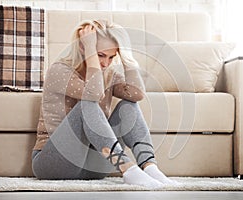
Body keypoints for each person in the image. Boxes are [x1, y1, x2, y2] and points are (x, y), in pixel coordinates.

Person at [31, 19, 174, 189]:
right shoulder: (59, 70)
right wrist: (91, 51)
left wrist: (127, 58)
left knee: (129, 105)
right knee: (88, 105)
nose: (106, 63)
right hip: (54, 163)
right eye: (101, 55)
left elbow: (137, 94)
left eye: (112, 56)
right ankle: (128, 169)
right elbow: (93, 94)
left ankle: (150, 168)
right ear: (83, 47)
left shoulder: (110, 73)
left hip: (94, 166)